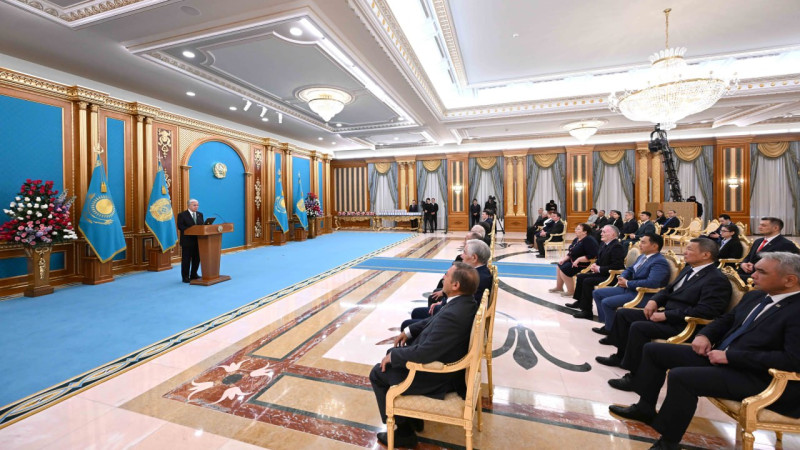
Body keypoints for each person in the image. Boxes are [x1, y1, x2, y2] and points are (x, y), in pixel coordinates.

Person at [608, 252, 800, 450]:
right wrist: (704, 335)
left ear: (789, 280)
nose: (753, 275)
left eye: (761, 272)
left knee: (682, 378)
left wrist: (730, 356)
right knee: (653, 351)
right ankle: (645, 408)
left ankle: (668, 443)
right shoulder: (756, 296)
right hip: (725, 359)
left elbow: (792, 360)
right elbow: (726, 320)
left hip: (761, 378)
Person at [597, 238, 731, 392]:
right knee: (623, 314)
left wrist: (667, 315)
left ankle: (635, 377)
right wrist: (654, 301)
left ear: (705, 255)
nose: (684, 252)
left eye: (689, 249)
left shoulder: (716, 279)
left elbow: (705, 311)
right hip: (668, 314)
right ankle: (620, 356)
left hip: (685, 324)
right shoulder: (689, 269)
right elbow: (668, 290)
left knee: (639, 327)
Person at [370, 262, 480, 448]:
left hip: (438, 375)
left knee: (378, 373)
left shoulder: (454, 314)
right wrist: (409, 331)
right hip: (444, 359)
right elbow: (434, 320)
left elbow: (425, 353)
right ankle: (412, 418)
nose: (443, 277)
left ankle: (404, 432)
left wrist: (395, 356)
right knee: (393, 354)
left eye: (447, 275)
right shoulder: (464, 302)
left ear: (455, 285)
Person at [401, 239, 492, 330]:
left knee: (408, 322)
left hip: (455, 320)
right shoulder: (481, 273)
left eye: (464, 252)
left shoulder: (478, 278)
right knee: (419, 310)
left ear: (474, 258)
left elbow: (464, 303)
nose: (461, 255)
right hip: (455, 311)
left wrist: (443, 305)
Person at [592, 233, 670, 333]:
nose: (639, 244)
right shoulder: (642, 257)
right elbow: (630, 269)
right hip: (629, 288)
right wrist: (623, 276)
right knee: (597, 293)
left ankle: (610, 330)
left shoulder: (659, 261)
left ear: (655, 246)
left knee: (607, 302)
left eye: (643, 242)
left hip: (642, 294)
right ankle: (608, 324)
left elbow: (652, 283)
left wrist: (628, 283)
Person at [567, 225, 626, 319]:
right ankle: (580, 302)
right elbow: (599, 259)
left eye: (604, 232)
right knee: (581, 276)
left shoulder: (616, 247)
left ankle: (587, 311)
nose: (601, 234)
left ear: (613, 234)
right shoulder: (604, 244)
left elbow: (617, 266)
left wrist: (599, 269)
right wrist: (595, 265)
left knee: (587, 281)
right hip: (603, 273)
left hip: (612, 276)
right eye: (602, 231)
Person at [550, 223, 599, 297]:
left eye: (578, 229)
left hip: (585, 263)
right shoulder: (577, 239)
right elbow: (571, 251)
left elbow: (593, 255)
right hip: (574, 260)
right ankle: (559, 287)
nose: (575, 230)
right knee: (559, 266)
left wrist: (579, 259)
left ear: (585, 232)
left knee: (564, 271)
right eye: (576, 229)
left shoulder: (589, 240)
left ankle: (571, 291)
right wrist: (564, 259)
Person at [177, 198, 203, 283]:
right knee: (186, 260)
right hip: (187, 241)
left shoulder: (200, 214)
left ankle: (194, 274)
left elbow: (202, 227)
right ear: (189, 205)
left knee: (196, 259)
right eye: (194, 205)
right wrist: (192, 229)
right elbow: (180, 226)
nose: (196, 207)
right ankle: (185, 277)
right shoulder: (182, 215)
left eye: (197, 205)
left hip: (198, 241)